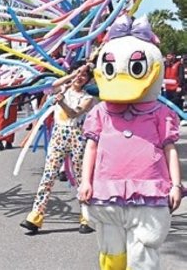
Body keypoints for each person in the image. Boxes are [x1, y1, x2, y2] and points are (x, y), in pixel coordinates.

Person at [78, 16, 182, 269]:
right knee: (110, 253)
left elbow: (169, 149)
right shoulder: (100, 112)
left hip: (149, 191)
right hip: (107, 191)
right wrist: (85, 181)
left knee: (143, 253)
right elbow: (91, 147)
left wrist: (176, 185)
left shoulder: (160, 113)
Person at [20, 63, 94, 234]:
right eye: (78, 74)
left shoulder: (87, 98)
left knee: (81, 178)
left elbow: (74, 113)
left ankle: (87, 217)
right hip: (58, 136)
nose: (80, 77)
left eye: (84, 75)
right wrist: (74, 74)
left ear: (88, 80)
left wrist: (62, 103)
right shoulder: (61, 89)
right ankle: (35, 217)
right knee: (48, 176)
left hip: (78, 137)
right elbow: (51, 86)